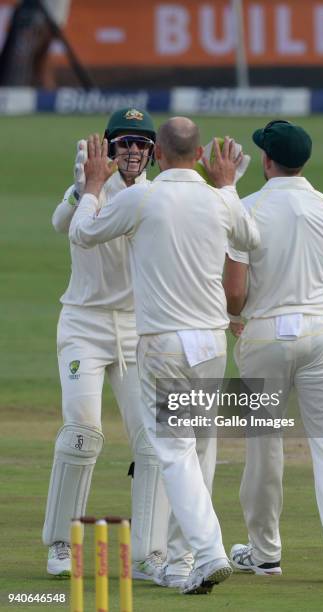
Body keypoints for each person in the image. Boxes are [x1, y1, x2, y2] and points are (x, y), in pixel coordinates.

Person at [68, 117, 260, 594]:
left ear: (156, 156)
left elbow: (83, 234)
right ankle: (183, 561)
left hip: (162, 343)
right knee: (199, 448)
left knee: (175, 452)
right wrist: (229, 187)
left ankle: (207, 552)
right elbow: (251, 239)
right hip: (211, 342)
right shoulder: (218, 199)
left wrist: (92, 186)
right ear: (198, 157)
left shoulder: (142, 196)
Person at [224, 120, 323, 582]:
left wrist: (235, 317)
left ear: (266, 161)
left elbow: (235, 294)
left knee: (265, 449)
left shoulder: (247, 209)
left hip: (264, 337)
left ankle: (265, 555)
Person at [43, 108, 169, 580]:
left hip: (138, 329)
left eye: (140, 144)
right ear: (109, 150)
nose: (132, 151)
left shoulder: (158, 197)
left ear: (153, 152)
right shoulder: (90, 190)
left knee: (153, 441)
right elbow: (61, 222)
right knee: (82, 432)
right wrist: (82, 187)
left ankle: (149, 553)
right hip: (84, 324)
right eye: (123, 144)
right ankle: (60, 542)